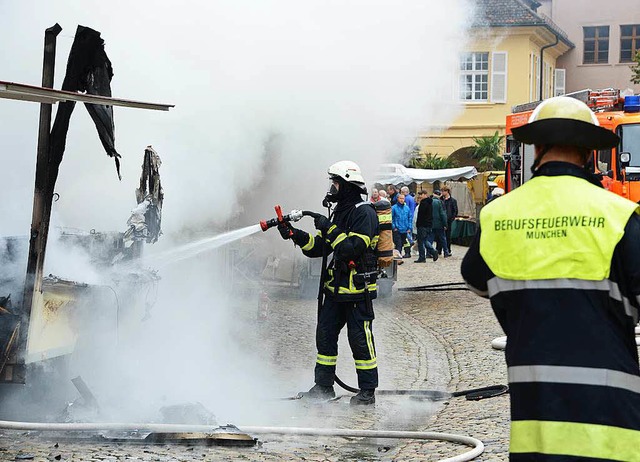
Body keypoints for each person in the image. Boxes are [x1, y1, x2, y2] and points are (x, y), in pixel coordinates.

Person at [461, 96, 640, 459]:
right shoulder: (619, 216)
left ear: (537, 148)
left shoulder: (498, 216)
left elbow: (476, 279)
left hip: (535, 425)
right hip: (611, 424)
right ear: (591, 153)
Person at [278, 160, 380, 406]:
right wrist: (295, 234)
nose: (333, 188)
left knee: (359, 339)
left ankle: (367, 391)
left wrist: (329, 228)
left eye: (336, 183)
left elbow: (351, 248)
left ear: (347, 185)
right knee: (325, 336)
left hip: (357, 291)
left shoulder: (363, 212)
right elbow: (320, 248)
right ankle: (324, 386)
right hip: (334, 290)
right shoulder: (340, 213)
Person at [414, 190, 438, 262]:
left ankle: (422, 257)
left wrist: (418, 224)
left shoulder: (424, 203)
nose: (420, 196)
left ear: (425, 194)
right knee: (424, 240)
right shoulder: (430, 202)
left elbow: (421, 216)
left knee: (421, 241)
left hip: (423, 225)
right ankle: (433, 252)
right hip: (428, 225)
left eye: (421, 194)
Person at [392, 193, 412, 258]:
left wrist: (409, 227)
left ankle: (406, 253)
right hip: (397, 229)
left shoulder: (407, 208)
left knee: (405, 242)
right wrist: (394, 227)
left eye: (403, 198)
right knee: (398, 244)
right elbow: (391, 218)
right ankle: (398, 257)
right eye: (400, 198)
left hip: (405, 229)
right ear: (398, 199)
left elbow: (410, 218)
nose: (402, 200)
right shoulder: (394, 208)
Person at [439, 185, 458, 255]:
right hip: (440, 221)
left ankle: (447, 250)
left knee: (447, 236)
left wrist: (451, 218)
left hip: (448, 221)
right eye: (442, 191)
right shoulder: (440, 200)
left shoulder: (453, 201)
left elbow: (455, 211)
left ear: (447, 192)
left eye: (443, 191)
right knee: (439, 236)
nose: (442, 193)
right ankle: (439, 249)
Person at [431, 190, 450, 257]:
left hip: (431, 224)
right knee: (443, 239)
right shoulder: (441, 202)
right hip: (440, 224)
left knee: (430, 239)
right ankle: (446, 252)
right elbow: (443, 214)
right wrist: (445, 224)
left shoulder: (429, 202)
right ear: (439, 195)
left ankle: (429, 252)